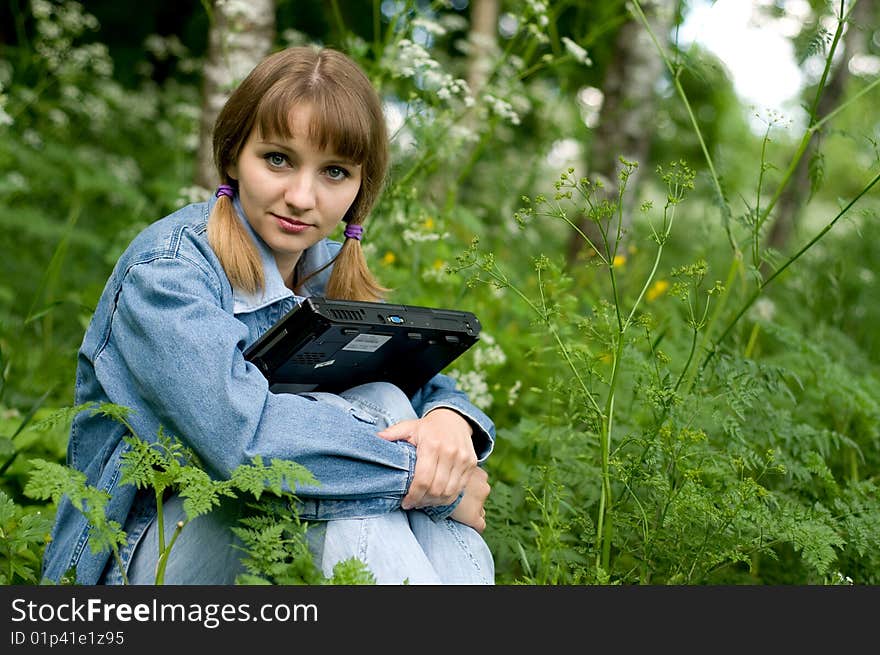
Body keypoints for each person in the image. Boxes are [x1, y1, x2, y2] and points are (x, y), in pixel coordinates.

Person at [42, 46, 495, 585]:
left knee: (385, 401)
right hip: (139, 556)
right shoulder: (167, 273)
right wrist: (431, 484)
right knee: (367, 482)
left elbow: (425, 386)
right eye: (278, 159)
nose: (302, 197)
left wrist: (451, 421)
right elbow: (247, 442)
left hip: (271, 531)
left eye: (333, 172)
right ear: (234, 156)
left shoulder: (325, 271)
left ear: (359, 189)